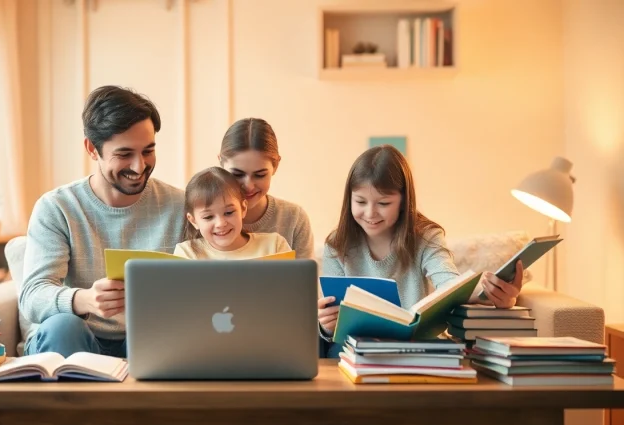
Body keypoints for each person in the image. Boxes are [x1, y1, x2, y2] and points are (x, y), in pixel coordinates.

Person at [19, 85, 185, 358]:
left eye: (148, 151)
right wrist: (85, 299)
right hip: (74, 337)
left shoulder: (180, 206)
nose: (139, 166)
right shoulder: (57, 207)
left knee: (157, 332)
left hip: (147, 338)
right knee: (63, 326)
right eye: (124, 154)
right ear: (92, 149)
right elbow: (33, 296)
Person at [317, 145, 523, 358]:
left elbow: (449, 285)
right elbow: (331, 325)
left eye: (384, 203)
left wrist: (494, 296)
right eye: (360, 201)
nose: (370, 213)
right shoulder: (337, 244)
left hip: (414, 347)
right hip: (354, 350)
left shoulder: (426, 236)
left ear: (404, 201)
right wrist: (326, 325)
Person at [218, 118, 314, 259]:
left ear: (275, 166)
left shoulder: (294, 218)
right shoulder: (203, 215)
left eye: (260, 175)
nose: (249, 186)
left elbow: (305, 280)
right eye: (237, 174)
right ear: (221, 162)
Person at [174, 166, 291, 260]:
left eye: (229, 212)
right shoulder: (187, 253)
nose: (220, 223)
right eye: (208, 217)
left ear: (243, 209)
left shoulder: (274, 246)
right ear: (193, 220)